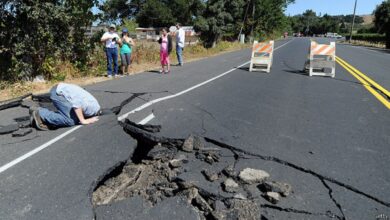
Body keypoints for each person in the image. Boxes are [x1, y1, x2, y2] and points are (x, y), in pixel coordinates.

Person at [30, 83, 101, 130]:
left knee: (76, 116)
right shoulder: (89, 106)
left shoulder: (94, 107)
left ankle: (49, 115)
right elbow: (77, 104)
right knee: (71, 121)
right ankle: (40, 113)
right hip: (58, 93)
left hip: (63, 89)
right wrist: (83, 121)